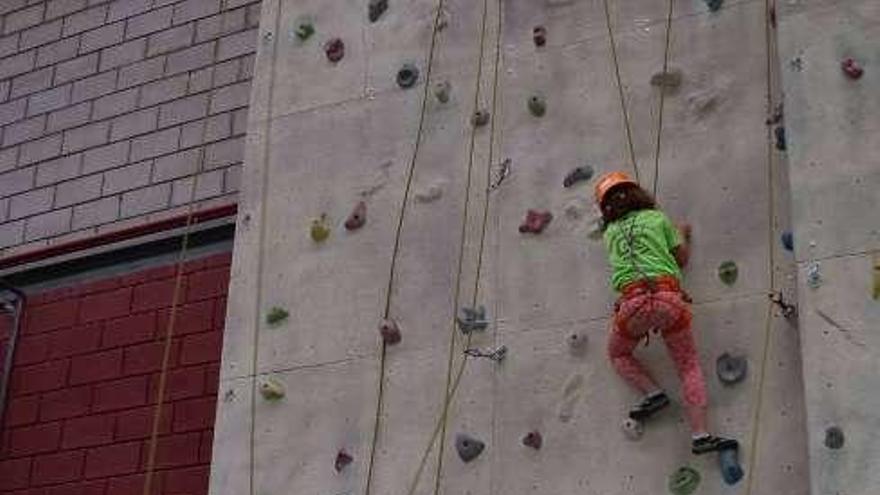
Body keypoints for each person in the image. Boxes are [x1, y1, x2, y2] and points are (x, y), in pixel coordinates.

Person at [595, 171, 736, 454]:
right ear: (637, 193)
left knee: (618, 354)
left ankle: (653, 393)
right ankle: (700, 435)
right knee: (688, 366)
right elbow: (681, 259)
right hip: (668, 299)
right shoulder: (657, 219)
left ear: (606, 208)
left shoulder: (609, 233)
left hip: (632, 304)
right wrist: (681, 234)